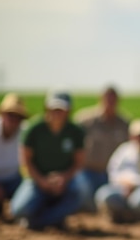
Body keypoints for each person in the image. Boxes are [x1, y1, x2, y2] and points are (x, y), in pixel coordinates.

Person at [10, 89, 85, 230]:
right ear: (47, 108)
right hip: (37, 179)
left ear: (68, 111)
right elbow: (26, 162)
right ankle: (52, 218)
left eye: (61, 109)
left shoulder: (76, 132)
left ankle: (39, 221)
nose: (57, 113)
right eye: (54, 108)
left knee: (79, 195)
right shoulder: (33, 129)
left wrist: (64, 177)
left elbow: (78, 162)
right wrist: (42, 182)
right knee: (18, 210)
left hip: (64, 181)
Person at [95, 119, 140, 223]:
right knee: (105, 195)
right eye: (138, 136)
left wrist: (134, 184)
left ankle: (136, 217)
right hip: (122, 190)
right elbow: (112, 172)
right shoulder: (124, 150)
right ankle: (121, 214)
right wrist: (124, 185)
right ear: (132, 137)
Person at [74, 85, 129, 212]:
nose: (110, 103)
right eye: (107, 99)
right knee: (85, 199)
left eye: (113, 100)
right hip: (88, 172)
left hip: (112, 175)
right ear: (101, 99)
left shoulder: (124, 124)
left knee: (114, 200)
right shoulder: (85, 121)